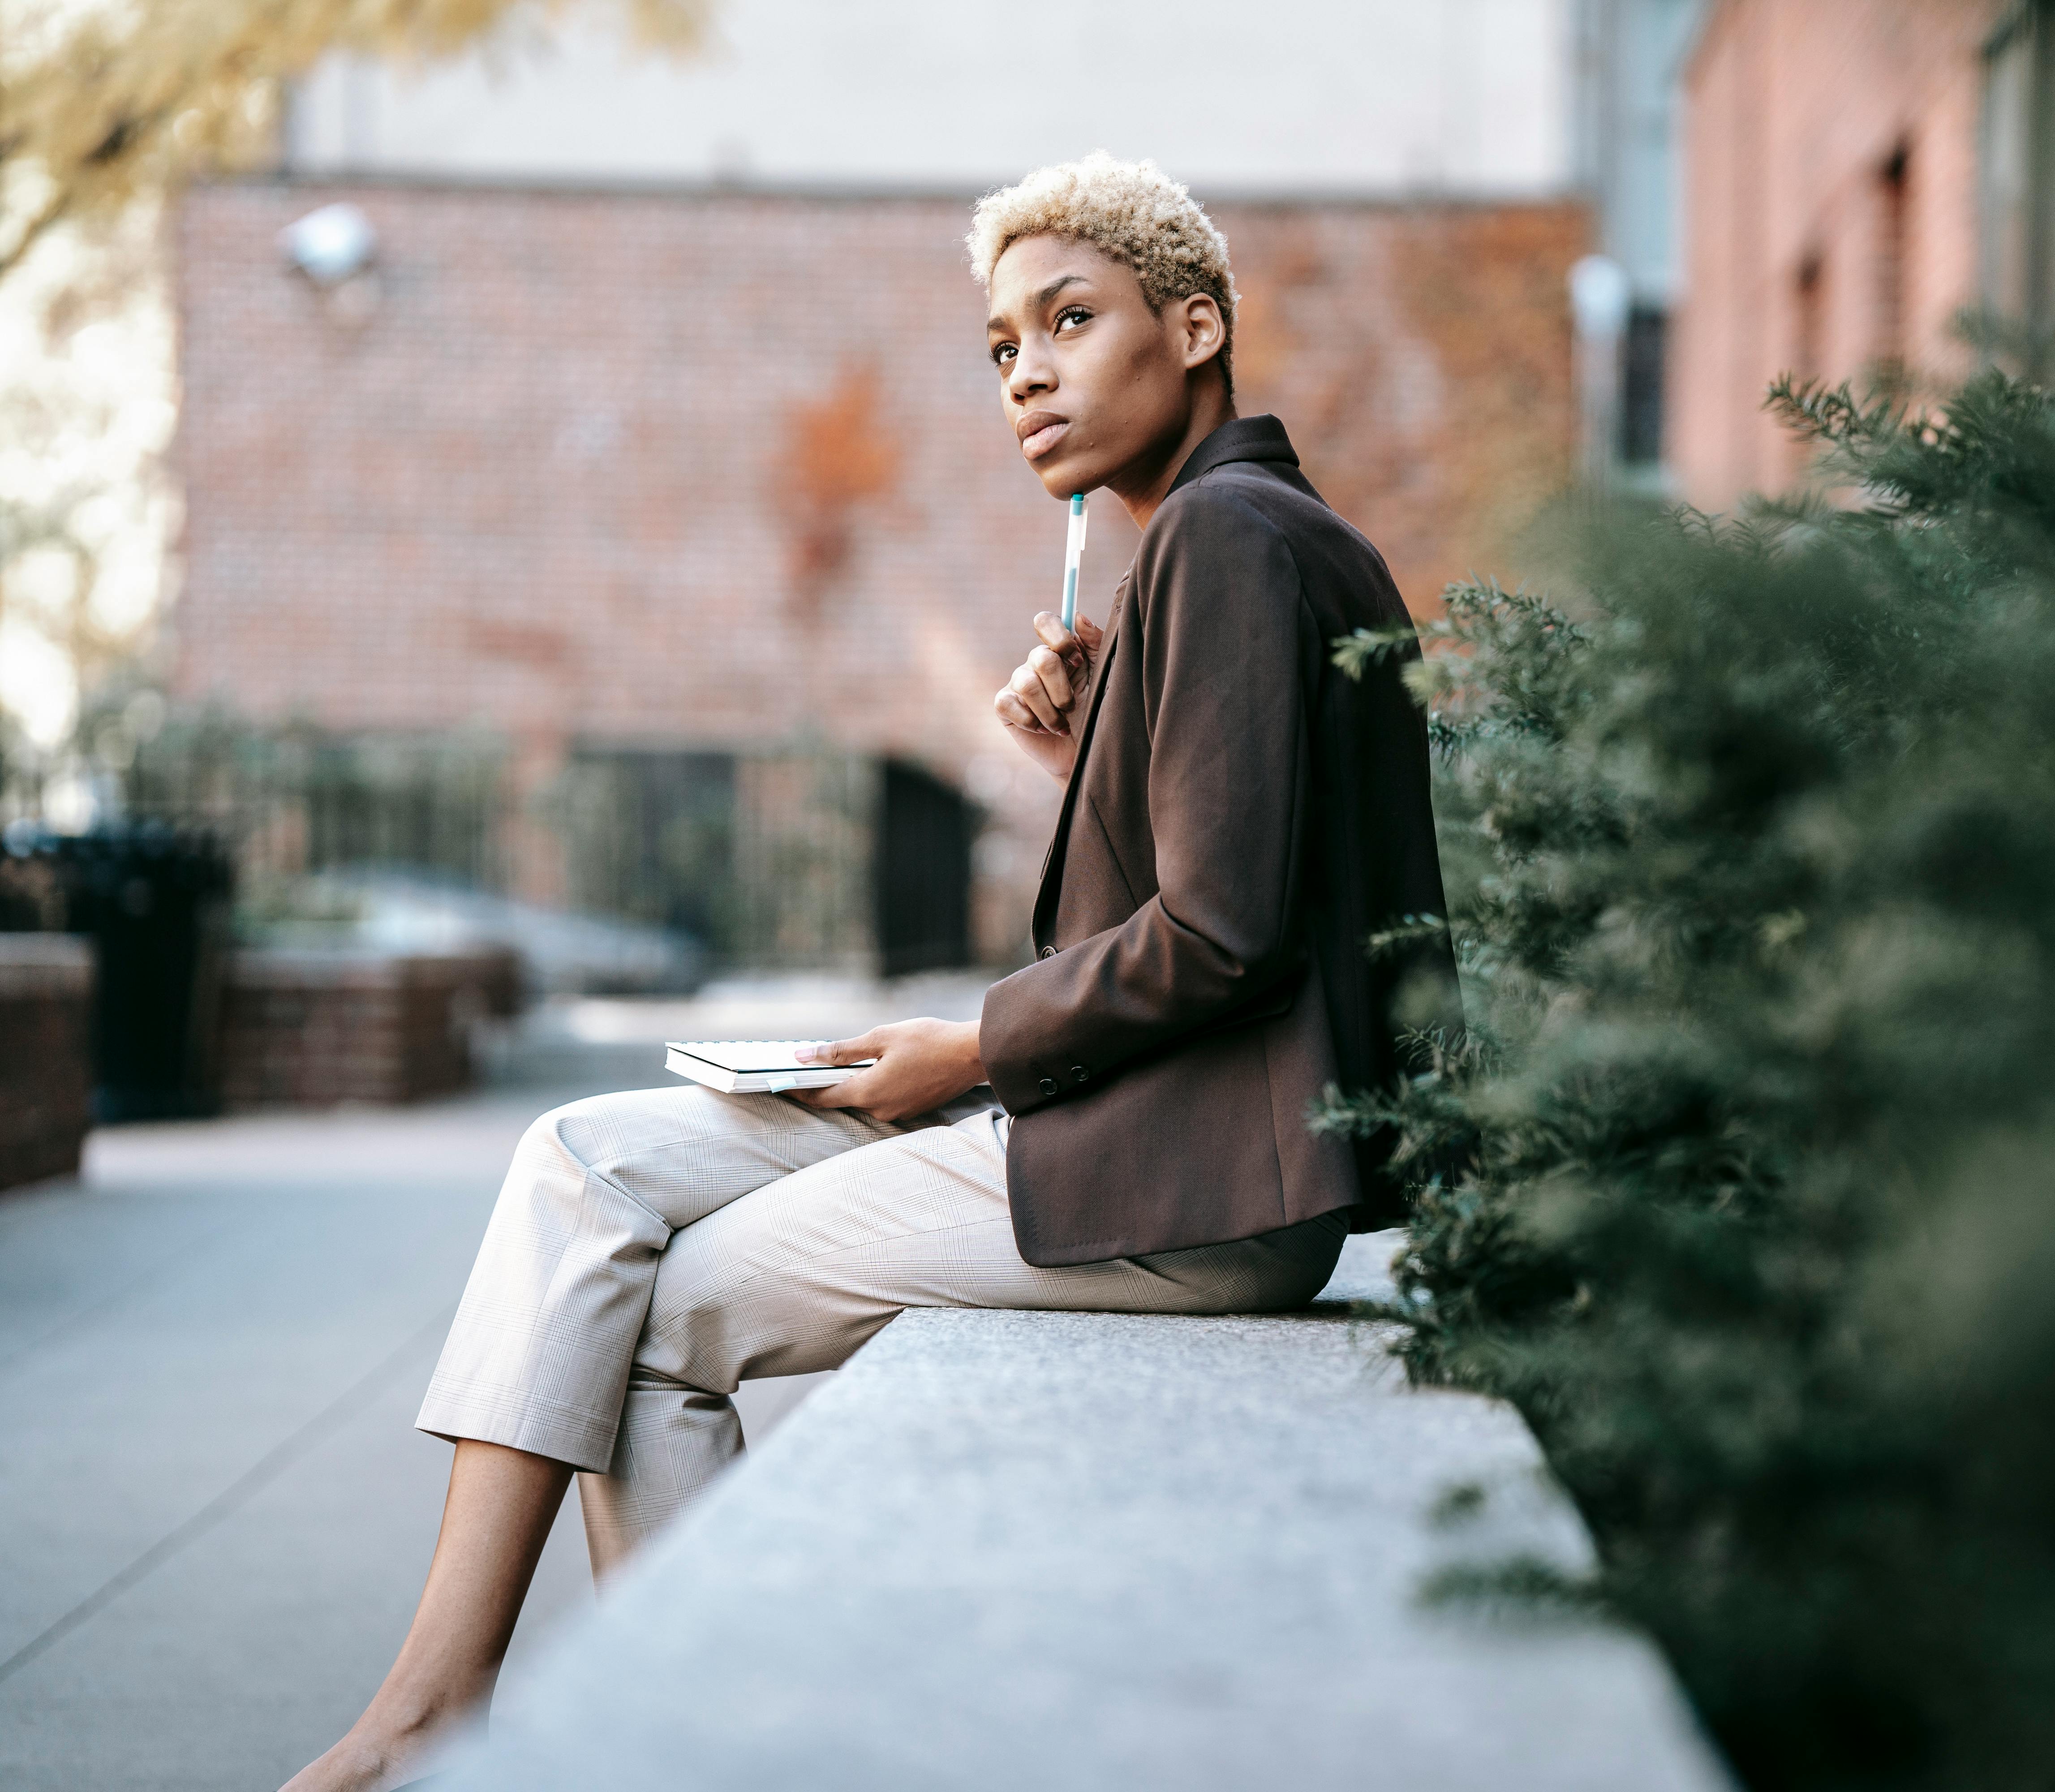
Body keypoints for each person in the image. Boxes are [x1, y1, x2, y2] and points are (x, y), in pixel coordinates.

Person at [283, 152, 1449, 1792]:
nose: (1028, 372)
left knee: (665, 1322)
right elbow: (1251, 880)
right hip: (1177, 1134)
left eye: (1071, 319)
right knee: (579, 1159)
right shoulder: (1256, 536)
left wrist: (964, 1053)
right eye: (999, 348)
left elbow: (1227, 938)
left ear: (1194, 328)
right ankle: (447, 1699)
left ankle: (604, 1736)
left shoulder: (1226, 541)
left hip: (1195, 1183)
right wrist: (1088, 763)